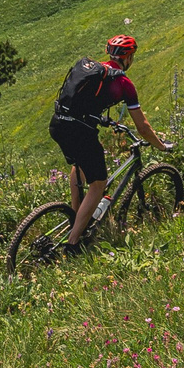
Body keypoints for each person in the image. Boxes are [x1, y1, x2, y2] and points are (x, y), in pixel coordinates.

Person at [48, 33, 169, 248]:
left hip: (58, 124)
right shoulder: (124, 83)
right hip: (80, 131)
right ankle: (73, 242)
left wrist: (104, 120)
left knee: (79, 166)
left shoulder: (93, 70)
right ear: (128, 57)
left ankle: (75, 217)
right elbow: (143, 127)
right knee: (98, 184)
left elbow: (86, 102)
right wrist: (161, 145)